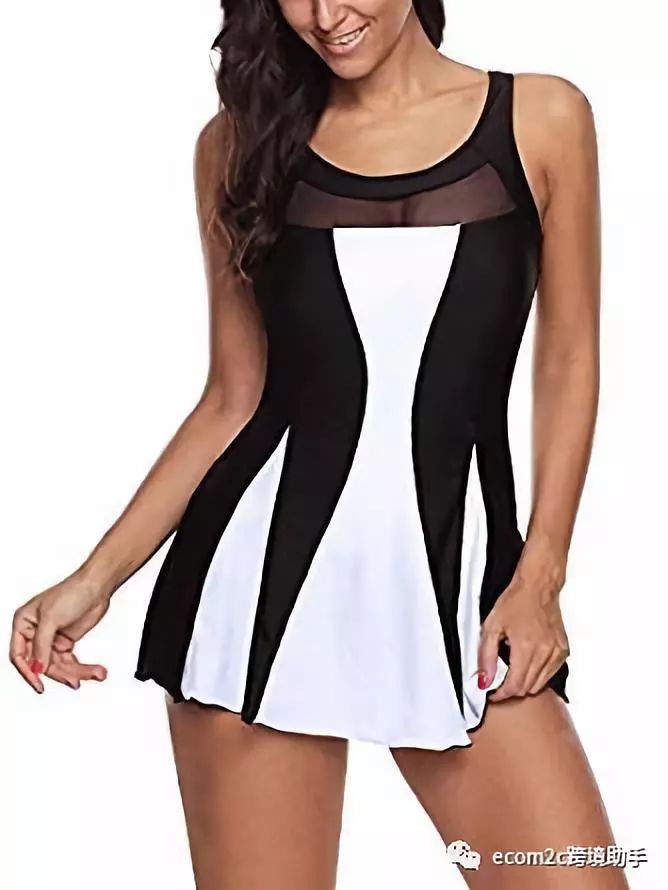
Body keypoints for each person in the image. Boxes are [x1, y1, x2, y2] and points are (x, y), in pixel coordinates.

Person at [10, 2, 627, 888]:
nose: (326, 15)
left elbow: (567, 360)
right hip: (252, 600)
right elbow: (233, 398)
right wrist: (94, 578)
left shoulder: (543, 117)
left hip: (467, 597)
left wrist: (541, 578)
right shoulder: (239, 146)